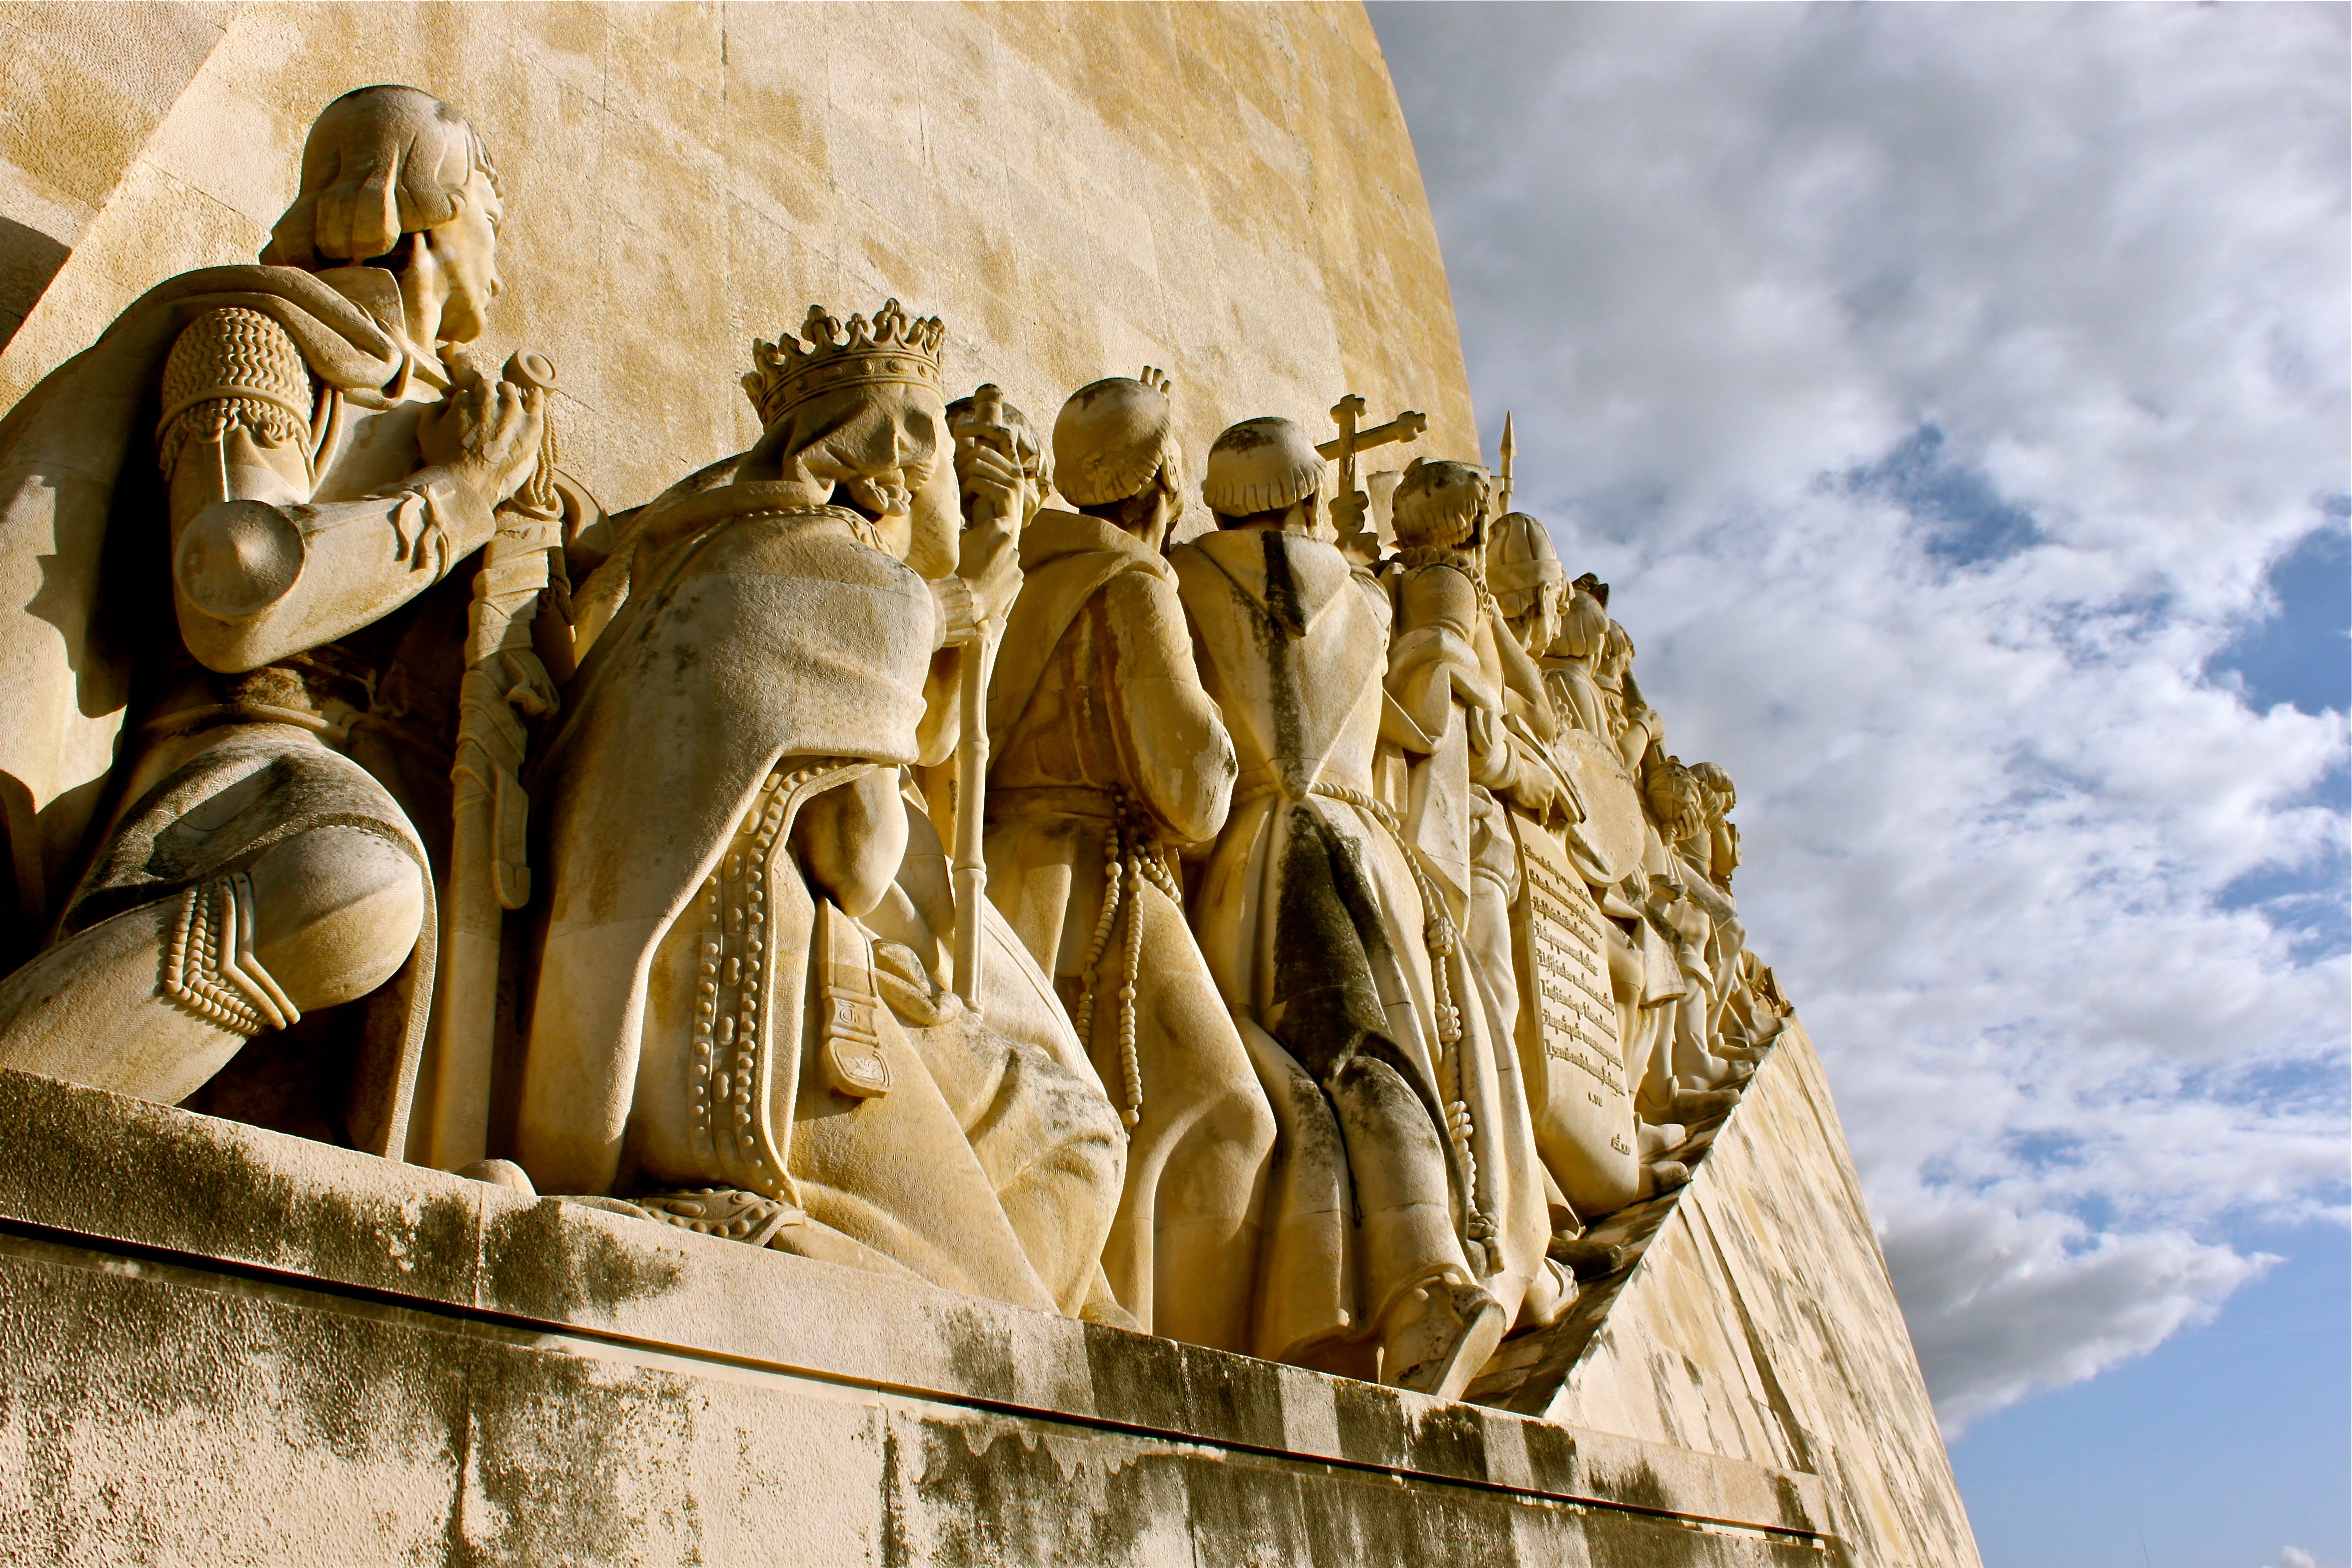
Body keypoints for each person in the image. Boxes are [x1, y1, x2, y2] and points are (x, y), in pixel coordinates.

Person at [511, 302, 1124, 1317]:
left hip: (594, 1025)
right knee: (1007, 1275)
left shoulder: (683, 560)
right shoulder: (864, 584)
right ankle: (725, 1228)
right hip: (750, 1021)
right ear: (897, 465)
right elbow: (861, 857)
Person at [0, 85, 560, 1156]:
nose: (502, 252)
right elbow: (234, 604)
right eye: (492, 215)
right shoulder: (255, 341)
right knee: (351, 884)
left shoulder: (473, 420)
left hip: (428, 824)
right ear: (432, 210)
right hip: (248, 770)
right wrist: (458, 500)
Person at [1171, 416, 1509, 1399]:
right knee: (1370, 1050)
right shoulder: (1364, 596)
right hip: (1364, 849)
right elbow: (1420, 722)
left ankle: (1421, 1285)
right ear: (1312, 498)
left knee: (1335, 1052)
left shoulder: (1186, 580)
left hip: (1263, 850)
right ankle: (1390, 1284)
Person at [982, 369, 1272, 1348]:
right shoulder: (1134, 582)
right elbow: (1190, 785)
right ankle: (1183, 1357)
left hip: (1024, 870)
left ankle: (1120, 1309)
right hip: (1100, 871)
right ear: (1162, 480)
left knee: (1096, 1111)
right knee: (1227, 1110)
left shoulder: (1043, 579)